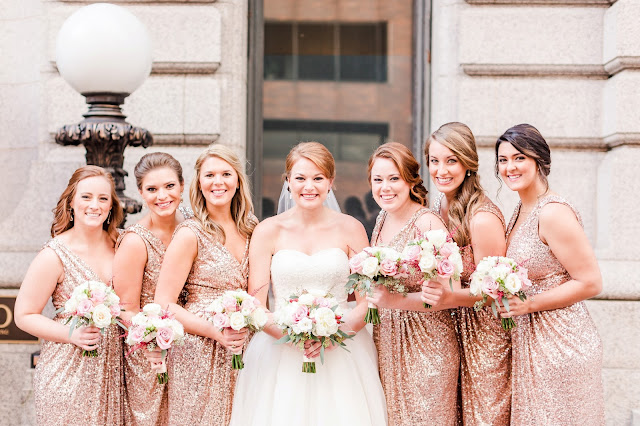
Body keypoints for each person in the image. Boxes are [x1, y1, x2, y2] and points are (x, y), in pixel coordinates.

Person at [229, 142, 387, 426]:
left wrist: (331, 336)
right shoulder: (268, 231)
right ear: (288, 181)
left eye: (318, 178)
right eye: (300, 178)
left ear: (331, 182)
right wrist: (295, 337)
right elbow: (255, 303)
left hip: (344, 350)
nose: (309, 186)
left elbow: (368, 301)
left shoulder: (351, 227)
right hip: (280, 349)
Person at [496, 124, 604, 425]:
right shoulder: (520, 210)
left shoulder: (553, 212)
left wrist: (529, 304)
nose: (510, 167)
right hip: (530, 341)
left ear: (539, 159)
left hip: (562, 344)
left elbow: (591, 281)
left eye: (519, 158)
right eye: (503, 160)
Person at [154, 145, 257, 425]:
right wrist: (215, 331)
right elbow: (164, 302)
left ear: (237, 181)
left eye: (226, 173)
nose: (218, 182)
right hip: (197, 351)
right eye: (210, 175)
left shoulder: (253, 229)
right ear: (199, 182)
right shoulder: (190, 233)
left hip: (243, 348)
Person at [14, 165, 124, 425]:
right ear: (72, 201)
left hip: (113, 374)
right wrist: (70, 334)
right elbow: (24, 315)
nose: (94, 205)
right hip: (67, 372)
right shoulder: (54, 254)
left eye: (103, 198)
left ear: (111, 207)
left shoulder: (122, 246)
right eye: (86, 197)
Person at [366, 142, 459, 425]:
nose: (386, 187)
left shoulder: (427, 223)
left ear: (410, 180)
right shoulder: (382, 218)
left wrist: (395, 302)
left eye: (394, 178)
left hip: (427, 344)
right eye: (378, 180)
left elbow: (451, 291)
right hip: (388, 342)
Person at [424, 122, 510, 425]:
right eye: (434, 161)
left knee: (482, 417)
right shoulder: (434, 208)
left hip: (484, 335)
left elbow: (495, 291)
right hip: (445, 333)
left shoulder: (482, 217)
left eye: (451, 160)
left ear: (468, 163)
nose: (441, 170)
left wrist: (450, 296)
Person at [113, 152, 190, 425]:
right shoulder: (135, 241)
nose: (162, 196)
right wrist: (153, 338)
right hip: (151, 355)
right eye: (152, 189)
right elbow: (125, 309)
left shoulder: (194, 228)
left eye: (170, 186)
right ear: (141, 193)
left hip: (194, 351)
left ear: (182, 186)